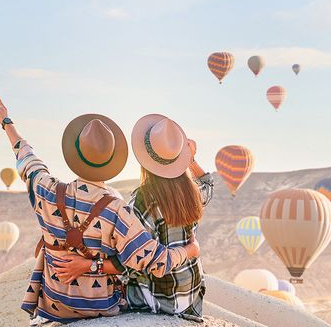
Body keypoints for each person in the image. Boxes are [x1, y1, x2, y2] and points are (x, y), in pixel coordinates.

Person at [0, 99, 200, 325]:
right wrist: (190, 250)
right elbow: (157, 263)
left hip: (55, 303)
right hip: (101, 307)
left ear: (75, 154)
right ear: (112, 160)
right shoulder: (117, 211)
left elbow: (27, 157)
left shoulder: (46, 189)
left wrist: (6, 122)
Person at [53, 114, 213, 322]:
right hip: (190, 293)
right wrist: (191, 161)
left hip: (157, 299)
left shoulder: (143, 201)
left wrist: (87, 266)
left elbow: (129, 262)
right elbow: (207, 185)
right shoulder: (192, 190)